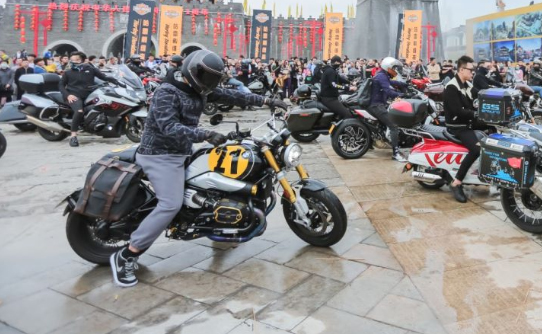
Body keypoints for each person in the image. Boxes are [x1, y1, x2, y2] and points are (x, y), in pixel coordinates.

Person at [110, 50, 287, 288]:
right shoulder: (167, 92)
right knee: (170, 204)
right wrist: (205, 134)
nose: (210, 83)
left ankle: (223, 226)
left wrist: (267, 101)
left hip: (183, 150)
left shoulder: (199, 87)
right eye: (207, 77)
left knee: (217, 175)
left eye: (213, 78)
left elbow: (232, 95)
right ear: (193, 71)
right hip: (160, 154)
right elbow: (168, 127)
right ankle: (127, 255)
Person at [443, 55, 488, 203]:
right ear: (461, 70)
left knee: (494, 129)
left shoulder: (467, 84)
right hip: (458, 126)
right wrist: (476, 114)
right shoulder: (451, 87)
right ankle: (457, 182)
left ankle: (487, 171)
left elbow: (480, 94)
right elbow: (457, 111)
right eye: (470, 70)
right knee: (476, 149)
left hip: (468, 121)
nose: (473, 72)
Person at [61, 52, 125, 148]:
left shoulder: (90, 69)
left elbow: (104, 77)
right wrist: (68, 95)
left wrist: (118, 82)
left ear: (82, 60)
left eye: (76, 60)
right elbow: (61, 85)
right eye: (72, 60)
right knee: (79, 111)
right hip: (74, 95)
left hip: (89, 94)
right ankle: (73, 136)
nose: (74, 61)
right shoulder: (68, 72)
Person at [368, 56, 407, 162]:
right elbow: (388, 91)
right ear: (388, 67)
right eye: (394, 68)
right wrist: (401, 95)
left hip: (379, 103)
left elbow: (390, 82)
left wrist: (404, 84)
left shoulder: (382, 75)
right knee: (394, 126)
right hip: (376, 105)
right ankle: (396, 153)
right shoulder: (381, 76)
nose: (395, 70)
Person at [320, 55, 352, 120]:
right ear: (336, 62)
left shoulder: (332, 70)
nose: (340, 65)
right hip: (329, 99)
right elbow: (334, 85)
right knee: (348, 115)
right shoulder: (330, 71)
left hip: (331, 97)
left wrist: (351, 82)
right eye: (340, 63)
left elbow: (340, 79)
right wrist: (348, 88)